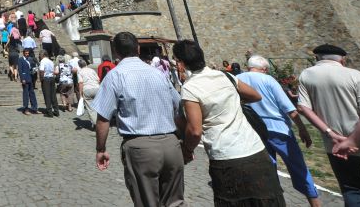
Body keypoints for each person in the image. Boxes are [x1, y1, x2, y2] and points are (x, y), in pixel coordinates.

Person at [174, 39, 285, 207]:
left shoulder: (190, 88)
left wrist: (187, 150)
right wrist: (231, 102)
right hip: (256, 151)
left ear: (181, 63)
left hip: (226, 157)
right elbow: (255, 95)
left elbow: (195, 130)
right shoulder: (225, 76)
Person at [90, 32, 185, 207]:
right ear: (138, 48)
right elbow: (179, 108)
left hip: (140, 148)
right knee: (175, 203)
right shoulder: (159, 74)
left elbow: (103, 118)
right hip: (171, 144)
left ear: (115, 52)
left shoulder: (115, 76)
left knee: (147, 202)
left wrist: (101, 148)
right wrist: (184, 142)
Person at [297, 44, 360, 205]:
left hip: (334, 145)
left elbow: (303, 108)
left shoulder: (306, 75)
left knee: (354, 192)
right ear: (342, 60)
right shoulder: (354, 75)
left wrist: (331, 133)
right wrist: (352, 141)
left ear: (317, 58)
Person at [237, 55, 320, 206]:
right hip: (278, 129)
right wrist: (302, 129)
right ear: (265, 69)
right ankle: (314, 201)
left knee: (268, 168)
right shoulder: (268, 80)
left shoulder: (237, 79)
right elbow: (289, 108)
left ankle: (275, 200)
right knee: (297, 166)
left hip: (254, 130)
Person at [39, 51, 60, 118]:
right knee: (53, 95)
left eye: (40, 55)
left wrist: (41, 79)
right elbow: (53, 70)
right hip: (52, 78)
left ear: (43, 55)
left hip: (46, 79)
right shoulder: (51, 61)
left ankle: (49, 112)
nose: (39, 56)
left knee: (47, 95)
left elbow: (42, 70)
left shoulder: (42, 61)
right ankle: (56, 111)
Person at [18, 48, 39, 115]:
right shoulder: (21, 59)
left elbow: (31, 68)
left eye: (28, 53)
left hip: (30, 78)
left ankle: (34, 108)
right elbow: (20, 70)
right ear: (23, 53)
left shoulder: (29, 59)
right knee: (26, 94)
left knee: (32, 93)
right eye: (26, 53)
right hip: (25, 78)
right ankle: (26, 109)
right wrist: (22, 79)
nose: (27, 54)